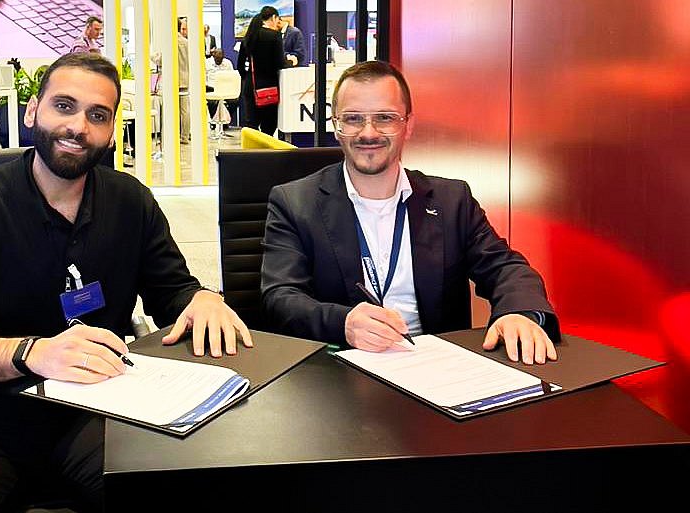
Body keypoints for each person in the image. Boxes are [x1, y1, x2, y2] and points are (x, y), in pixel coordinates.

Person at [0, 52, 252, 513]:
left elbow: (171, 290)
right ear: (33, 111)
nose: (78, 127)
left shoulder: (130, 201)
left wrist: (201, 299)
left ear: (111, 131)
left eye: (98, 115)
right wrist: (34, 353)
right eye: (64, 106)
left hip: (102, 411)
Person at [261, 60, 560, 365]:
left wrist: (518, 312)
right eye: (353, 119)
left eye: (385, 118)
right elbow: (281, 297)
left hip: (436, 369)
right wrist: (343, 323)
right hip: (341, 370)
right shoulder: (294, 202)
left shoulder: (451, 201)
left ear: (408, 125)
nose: (368, 133)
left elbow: (505, 267)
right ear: (336, 126)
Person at [236, 6, 288, 135]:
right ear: (274, 17)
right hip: (269, 87)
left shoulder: (249, 37)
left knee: (251, 125)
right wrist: (291, 61)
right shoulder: (274, 36)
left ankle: (252, 148)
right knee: (268, 126)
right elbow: (280, 63)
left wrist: (247, 78)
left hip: (251, 86)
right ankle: (265, 148)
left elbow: (240, 66)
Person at [206, 47, 234, 118]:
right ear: (213, 56)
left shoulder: (228, 63)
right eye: (217, 59)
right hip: (211, 89)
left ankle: (226, 120)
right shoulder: (207, 63)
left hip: (225, 89)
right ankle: (213, 120)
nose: (219, 61)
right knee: (212, 102)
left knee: (234, 101)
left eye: (221, 59)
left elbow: (232, 78)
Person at [178, 17, 191, 144]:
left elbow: (160, 59)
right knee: (185, 111)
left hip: (173, 81)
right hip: (185, 79)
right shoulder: (186, 43)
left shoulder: (171, 42)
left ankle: (176, 135)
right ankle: (185, 136)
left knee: (174, 110)